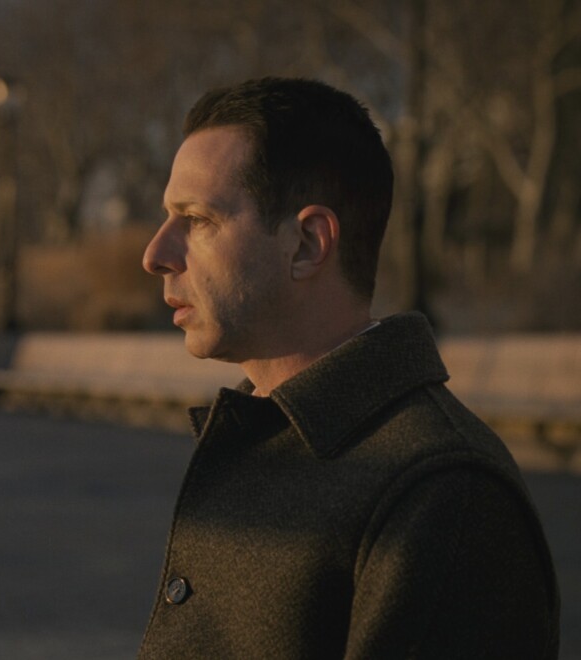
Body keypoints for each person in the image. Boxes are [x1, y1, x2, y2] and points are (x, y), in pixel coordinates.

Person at [139, 78, 560, 658]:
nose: (155, 253)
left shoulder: (444, 495)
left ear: (309, 243)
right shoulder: (265, 434)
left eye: (198, 218)